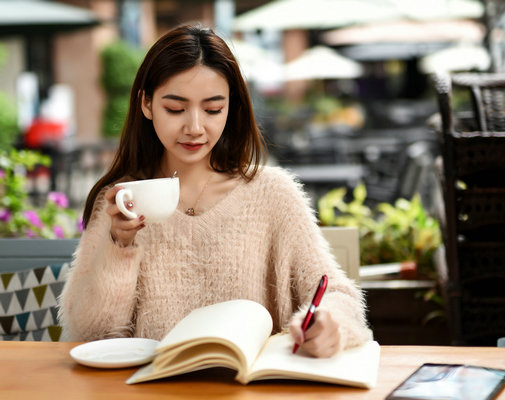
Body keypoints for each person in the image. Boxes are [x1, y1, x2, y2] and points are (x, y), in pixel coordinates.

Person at [58, 23, 372, 358]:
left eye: (212, 109)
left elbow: (338, 294)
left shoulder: (273, 195)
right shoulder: (122, 199)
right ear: (146, 104)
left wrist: (329, 322)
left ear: (232, 108)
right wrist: (119, 245)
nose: (194, 127)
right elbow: (89, 335)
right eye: (175, 109)